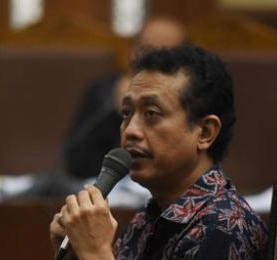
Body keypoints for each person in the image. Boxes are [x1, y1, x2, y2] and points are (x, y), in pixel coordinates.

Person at [40, 45, 268, 260]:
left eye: (151, 114)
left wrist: (99, 259)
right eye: (126, 114)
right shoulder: (153, 215)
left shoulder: (223, 229)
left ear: (205, 132)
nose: (130, 130)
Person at [62, 17, 188, 179]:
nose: (153, 61)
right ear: (133, 52)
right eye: (147, 49)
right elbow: (73, 160)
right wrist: (117, 107)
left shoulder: (192, 98)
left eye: (165, 54)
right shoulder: (104, 91)